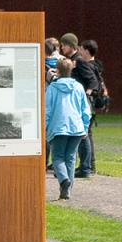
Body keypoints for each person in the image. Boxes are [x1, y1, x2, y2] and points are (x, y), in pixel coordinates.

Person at [45, 57, 93, 200]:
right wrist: (85, 127)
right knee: (71, 158)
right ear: (71, 70)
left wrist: (44, 127)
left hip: (58, 127)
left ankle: (64, 180)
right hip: (76, 127)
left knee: (58, 157)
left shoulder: (52, 88)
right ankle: (67, 190)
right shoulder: (78, 87)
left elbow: (47, 110)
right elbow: (86, 110)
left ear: (57, 71)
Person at [69, 40, 105, 178]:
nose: (79, 50)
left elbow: (93, 82)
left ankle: (86, 167)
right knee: (86, 134)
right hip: (90, 104)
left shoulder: (81, 62)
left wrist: (86, 95)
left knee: (84, 134)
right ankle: (89, 166)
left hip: (86, 104)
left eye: (81, 48)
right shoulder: (94, 64)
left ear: (86, 50)